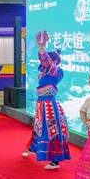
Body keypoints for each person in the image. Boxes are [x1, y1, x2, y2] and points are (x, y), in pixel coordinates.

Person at [22, 31, 70, 169]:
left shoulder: (57, 71)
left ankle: (55, 161)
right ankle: (33, 148)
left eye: (46, 59)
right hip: (42, 103)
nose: (42, 62)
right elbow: (45, 61)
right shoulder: (46, 71)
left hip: (49, 104)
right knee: (38, 127)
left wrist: (41, 46)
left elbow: (46, 61)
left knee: (51, 129)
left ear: (53, 61)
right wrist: (41, 48)